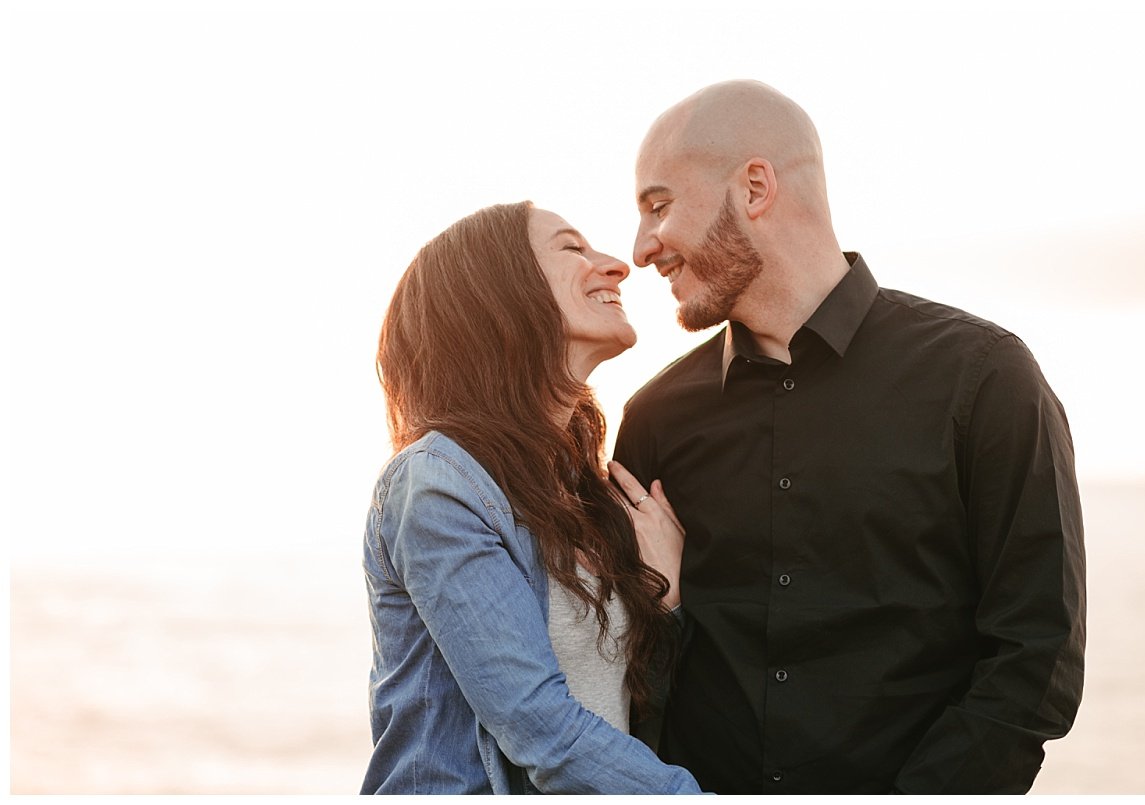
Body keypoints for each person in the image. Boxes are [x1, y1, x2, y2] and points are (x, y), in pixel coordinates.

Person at [610, 80, 1086, 794]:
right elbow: (627, 669)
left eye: (658, 206)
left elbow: (1035, 658)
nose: (643, 248)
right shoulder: (653, 416)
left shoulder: (984, 379)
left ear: (755, 186)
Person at [359, 200, 700, 795]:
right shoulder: (440, 484)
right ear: (498, 293)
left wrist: (665, 598)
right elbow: (539, 729)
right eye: (573, 249)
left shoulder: (577, 492)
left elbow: (625, 710)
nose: (617, 265)